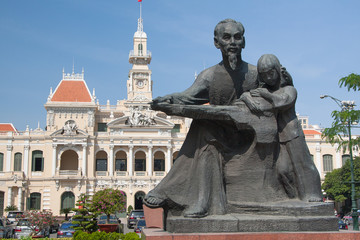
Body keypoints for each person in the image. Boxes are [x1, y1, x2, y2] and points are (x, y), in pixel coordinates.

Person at [143, 19, 259, 218]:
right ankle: (200, 200)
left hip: (249, 135)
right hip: (220, 135)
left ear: (244, 42)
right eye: (226, 37)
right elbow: (188, 96)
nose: (232, 42)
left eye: (237, 37)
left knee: (205, 129)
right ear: (217, 43)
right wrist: (168, 99)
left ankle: (190, 198)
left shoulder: (255, 74)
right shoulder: (209, 75)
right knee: (204, 128)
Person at [244, 54, 322, 201]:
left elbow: (282, 101)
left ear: (278, 70)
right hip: (276, 136)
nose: (268, 78)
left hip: (292, 133)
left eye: (271, 73)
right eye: (264, 75)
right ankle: (293, 197)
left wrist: (265, 94)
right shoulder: (265, 91)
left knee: (303, 164)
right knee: (282, 170)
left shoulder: (289, 90)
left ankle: (313, 194)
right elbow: (247, 96)